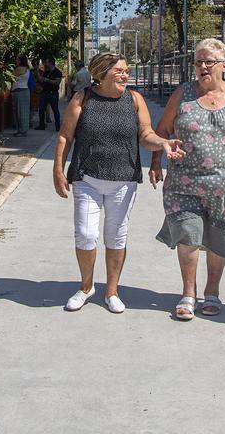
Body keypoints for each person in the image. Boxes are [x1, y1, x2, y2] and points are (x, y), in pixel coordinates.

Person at [53, 52, 185, 313]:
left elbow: (145, 134)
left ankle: (112, 291)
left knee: (116, 236)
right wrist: (58, 169)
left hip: (123, 181)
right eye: (120, 71)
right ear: (101, 74)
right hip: (87, 178)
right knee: (86, 234)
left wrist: (163, 143)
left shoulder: (134, 100)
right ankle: (86, 286)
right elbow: (65, 137)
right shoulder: (83, 99)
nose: (126, 75)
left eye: (127, 70)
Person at [150, 38, 225, 320]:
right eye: (198, 61)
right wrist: (156, 162)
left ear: (223, 65)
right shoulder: (183, 93)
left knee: (218, 236)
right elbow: (163, 129)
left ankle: (212, 291)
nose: (202, 67)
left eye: (209, 62)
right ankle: (188, 293)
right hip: (183, 183)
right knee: (189, 234)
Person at [37, 57, 64, 131]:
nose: (45, 64)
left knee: (55, 110)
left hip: (53, 94)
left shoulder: (57, 72)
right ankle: (41, 125)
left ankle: (57, 126)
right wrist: (39, 75)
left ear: (51, 63)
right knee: (41, 109)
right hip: (45, 93)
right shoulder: (46, 72)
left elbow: (57, 82)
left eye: (47, 62)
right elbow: (42, 80)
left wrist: (48, 80)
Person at [11, 56, 32, 137]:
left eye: (17, 59)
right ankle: (23, 130)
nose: (16, 61)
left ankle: (21, 131)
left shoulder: (19, 69)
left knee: (19, 112)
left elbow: (11, 76)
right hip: (25, 90)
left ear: (20, 60)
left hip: (19, 91)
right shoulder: (27, 69)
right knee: (24, 112)